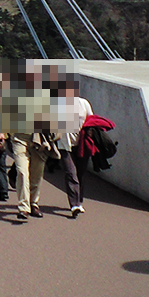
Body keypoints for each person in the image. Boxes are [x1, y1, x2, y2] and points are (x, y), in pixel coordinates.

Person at [56, 79, 93, 218]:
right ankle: (74, 205)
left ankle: (79, 200)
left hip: (81, 145)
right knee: (71, 173)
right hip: (65, 145)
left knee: (81, 173)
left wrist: (89, 131)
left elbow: (91, 120)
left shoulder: (83, 103)